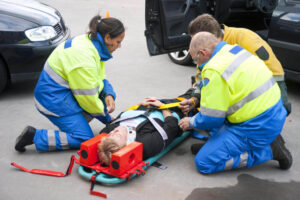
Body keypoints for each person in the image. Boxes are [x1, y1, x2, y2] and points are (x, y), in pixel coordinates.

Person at [179, 32, 292, 174]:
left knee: (204, 162)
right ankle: (219, 145)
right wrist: (196, 99)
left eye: (195, 59)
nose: (196, 63)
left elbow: (211, 118)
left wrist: (191, 122)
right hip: (274, 114)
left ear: (202, 53)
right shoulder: (234, 50)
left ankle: (269, 151)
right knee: (212, 129)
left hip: (255, 126)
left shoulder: (213, 70)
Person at [15, 14, 125, 152]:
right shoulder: (84, 59)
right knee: (84, 138)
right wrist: (108, 120)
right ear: (108, 37)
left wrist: (108, 93)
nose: (120, 46)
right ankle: (35, 136)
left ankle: (75, 121)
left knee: (101, 102)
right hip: (53, 100)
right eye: (118, 41)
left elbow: (99, 77)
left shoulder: (90, 43)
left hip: (62, 93)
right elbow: (88, 98)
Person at [187, 13, 291, 116]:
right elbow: (202, 75)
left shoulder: (246, 39)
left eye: (197, 40)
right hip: (236, 83)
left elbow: (272, 70)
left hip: (270, 79)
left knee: (278, 111)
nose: (194, 43)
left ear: (211, 37)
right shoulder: (205, 49)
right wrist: (195, 97)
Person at [97, 90, 197, 165]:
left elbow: (123, 115)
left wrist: (140, 104)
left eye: (111, 134)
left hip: (149, 107)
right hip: (175, 110)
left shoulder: (108, 132)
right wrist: (162, 107)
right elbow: (171, 128)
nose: (115, 130)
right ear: (126, 144)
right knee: (191, 98)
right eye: (117, 135)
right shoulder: (146, 144)